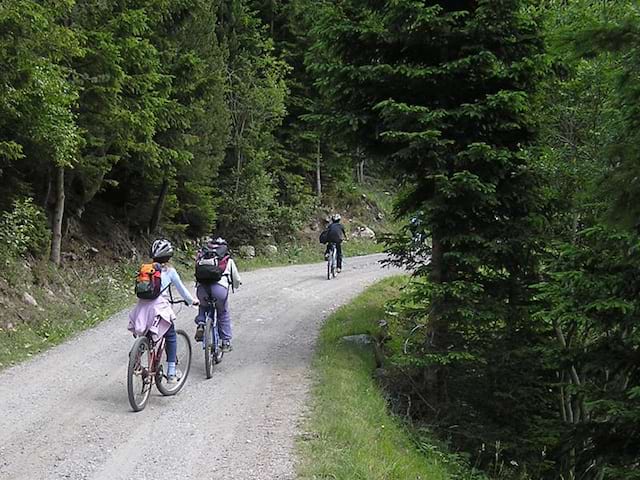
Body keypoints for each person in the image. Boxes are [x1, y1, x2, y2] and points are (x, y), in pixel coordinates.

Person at [128, 239, 198, 384]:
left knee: (147, 335)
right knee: (171, 335)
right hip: (159, 308)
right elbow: (182, 291)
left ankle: (136, 360)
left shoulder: (146, 269)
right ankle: (171, 373)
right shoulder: (169, 271)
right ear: (169, 256)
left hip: (142, 308)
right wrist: (192, 301)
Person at [194, 237, 242, 352]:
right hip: (219, 290)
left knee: (203, 305)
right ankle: (225, 342)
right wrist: (236, 285)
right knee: (223, 312)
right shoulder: (227, 260)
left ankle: (201, 323)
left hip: (202, 289)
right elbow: (236, 279)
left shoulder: (202, 257)